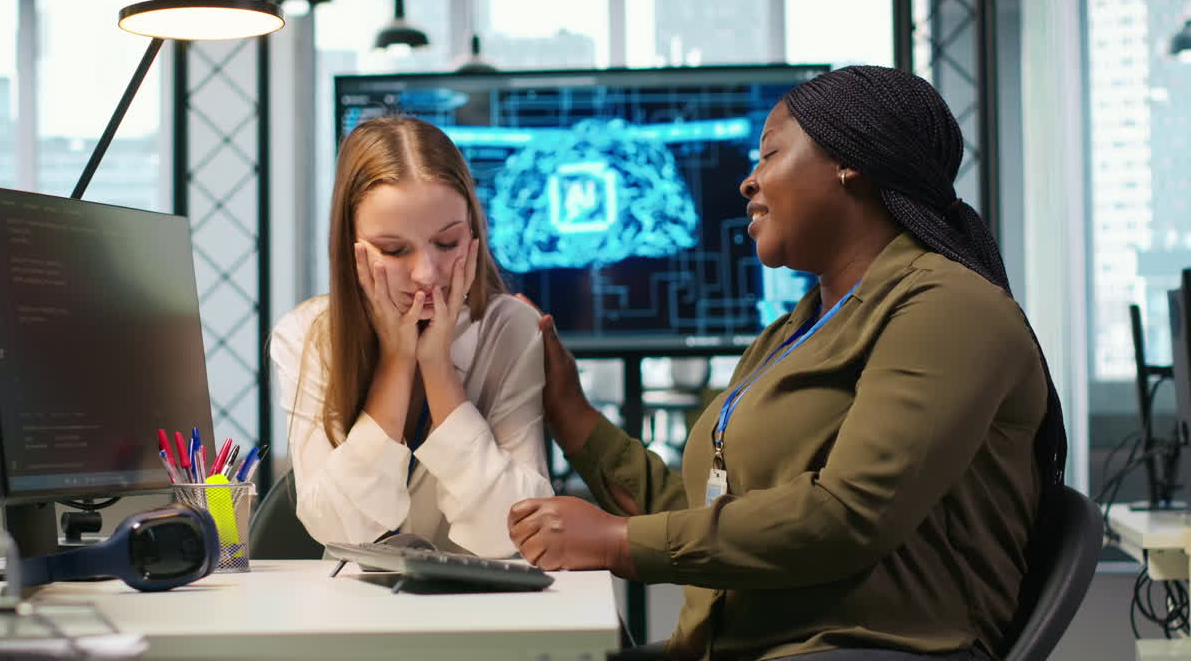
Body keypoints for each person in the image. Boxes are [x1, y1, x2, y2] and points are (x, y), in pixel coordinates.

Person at [508, 65, 1069, 660]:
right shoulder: (793, 331)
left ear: (848, 162)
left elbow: (849, 515)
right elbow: (708, 518)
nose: (748, 182)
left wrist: (619, 542)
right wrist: (568, 410)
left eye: (770, 155)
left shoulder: (947, 308)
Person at [271, 115, 553, 558]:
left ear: (473, 234)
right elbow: (339, 529)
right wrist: (396, 362)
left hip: (491, 595)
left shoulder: (511, 328)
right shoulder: (306, 335)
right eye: (395, 250)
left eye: (447, 243)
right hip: (352, 594)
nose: (426, 273)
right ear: (350, 245)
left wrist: (437, 367)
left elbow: (512, 530)